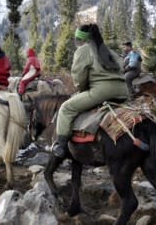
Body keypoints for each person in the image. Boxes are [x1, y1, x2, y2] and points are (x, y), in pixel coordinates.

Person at [51, 24, 128, 158]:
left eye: (77, 39)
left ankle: (61, 146)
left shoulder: (83, 50)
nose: (77, 42)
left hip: (102, 91)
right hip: (123, 91)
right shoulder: (110, 51)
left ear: (82, 40)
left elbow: (79, 77)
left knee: (66, 108)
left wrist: (82, 89)